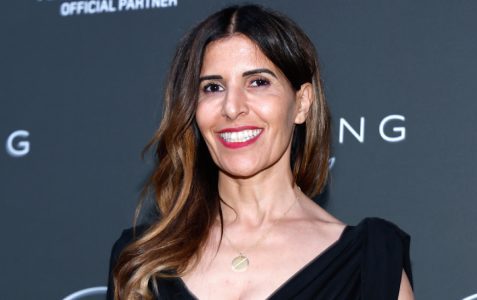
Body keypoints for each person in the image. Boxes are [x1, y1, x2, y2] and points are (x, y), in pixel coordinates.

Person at [107, 4, 414, 300]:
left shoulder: (369, 261)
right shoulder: (141, 259)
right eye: (213, 87)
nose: (232, 107)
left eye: (257, 82)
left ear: (302, 103)